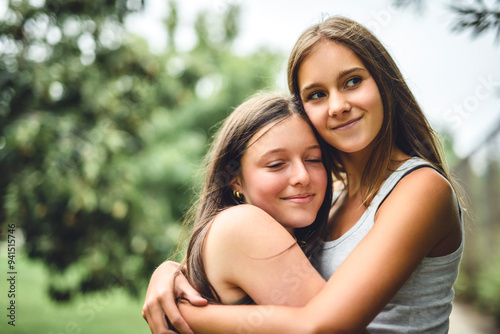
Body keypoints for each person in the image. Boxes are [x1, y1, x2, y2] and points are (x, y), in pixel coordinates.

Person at [143, 16, 463, 334]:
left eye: (352, 81)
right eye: (316, 95)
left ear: (384, 84)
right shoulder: (329, 199)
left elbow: (319, 326)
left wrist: (188, 315)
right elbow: (254, 262)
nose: (337, 106)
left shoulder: (421, 189)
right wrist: (170, 273)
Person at [142, 93, 337, 330]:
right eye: (276, 164)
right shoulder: (243, 224)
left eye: (314, 159)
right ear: (234, 179)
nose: (302, 176)